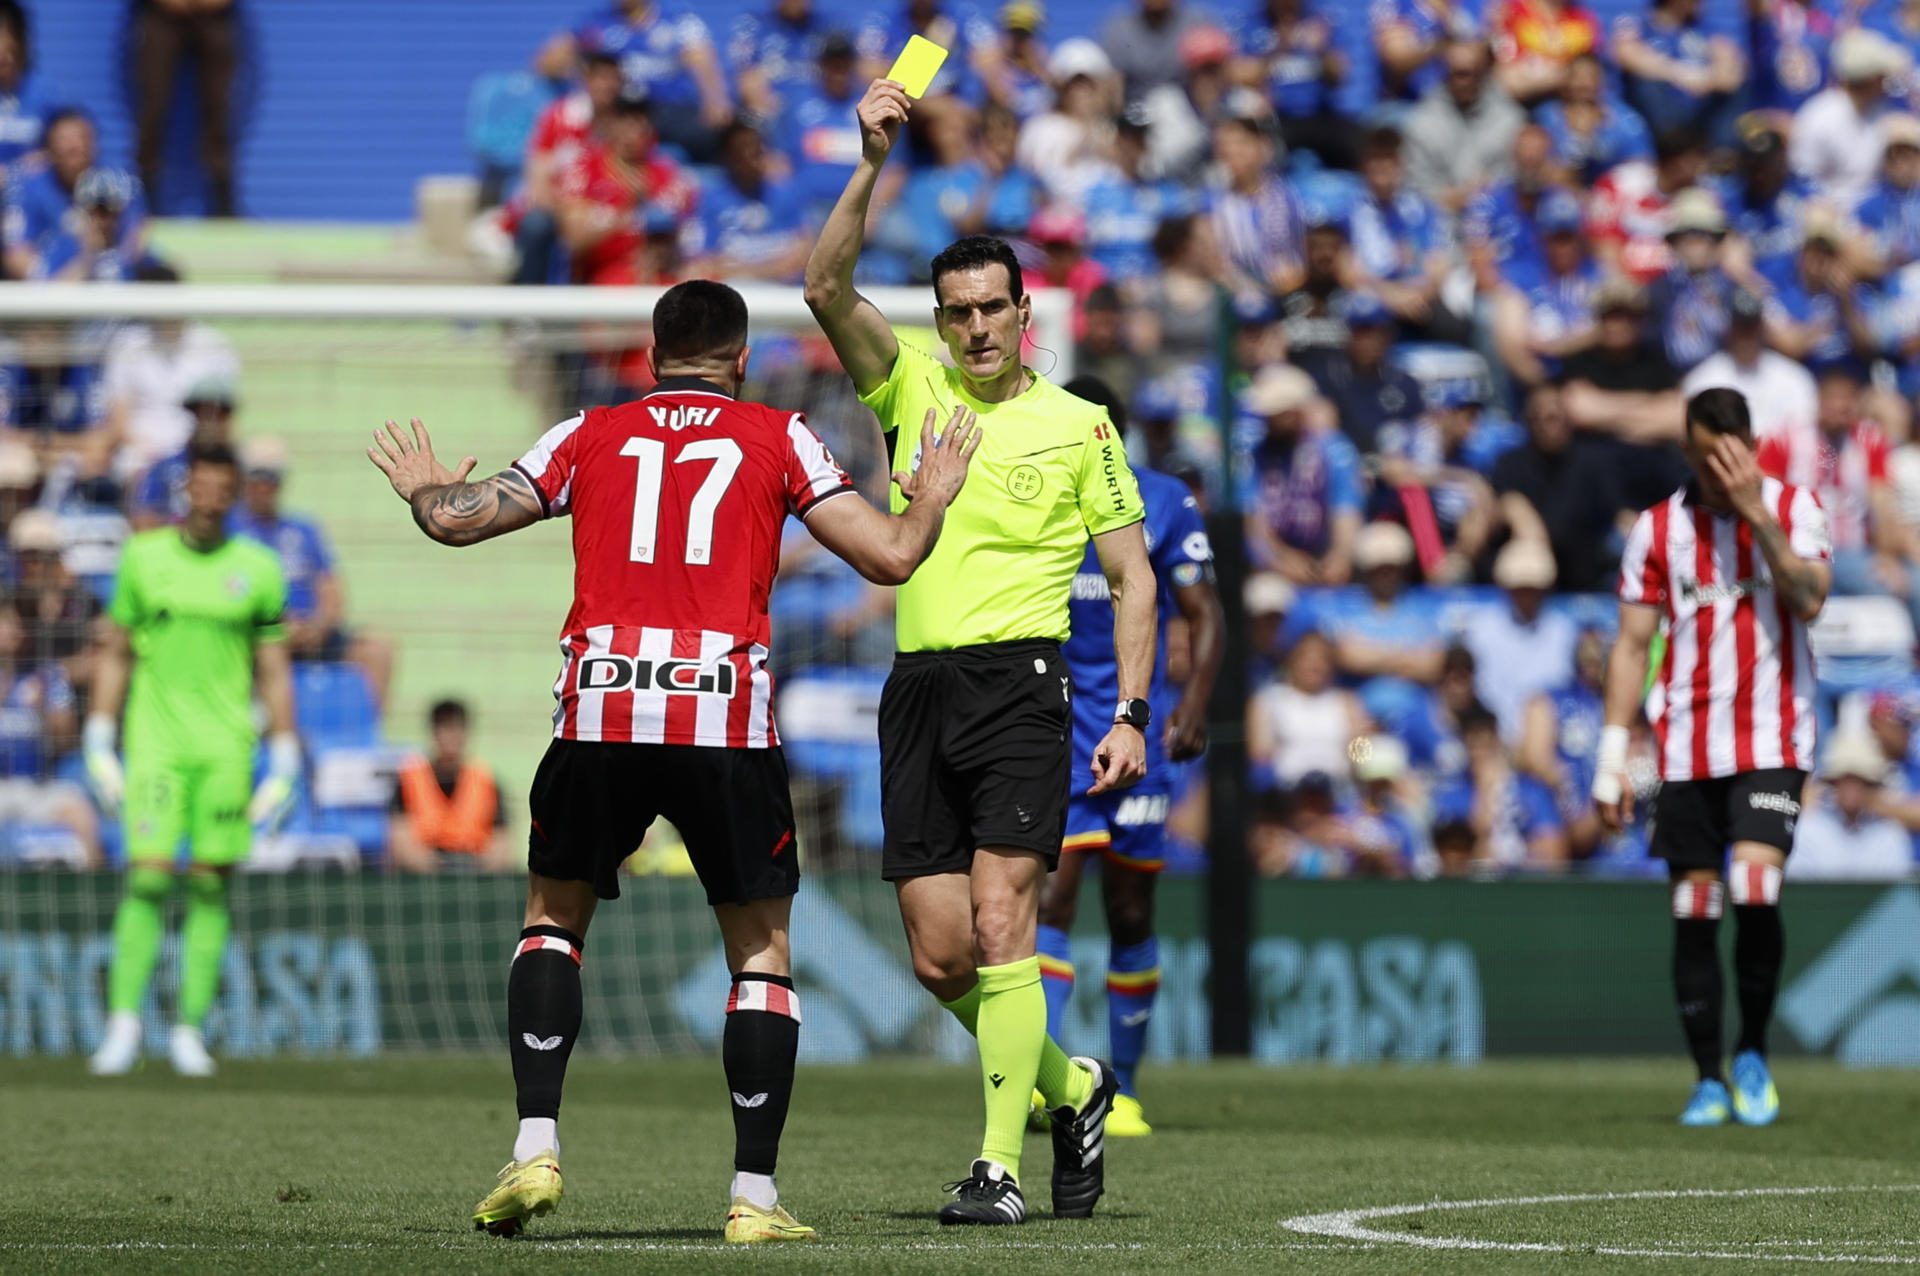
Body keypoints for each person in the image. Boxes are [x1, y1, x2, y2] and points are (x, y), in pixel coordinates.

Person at [367, 279, 984, 1242]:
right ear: (741, 361)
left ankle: (534, 1146)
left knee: (552, 921)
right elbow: (895, 557)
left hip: (602, 707)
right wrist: (934, 497)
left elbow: (456, 519)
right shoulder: (781, 436)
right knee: (761, 954)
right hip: (722, 719)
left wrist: (421, 490)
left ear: (651, 358)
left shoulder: (588, 432)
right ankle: (754, 1200)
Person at [804, 78, 1156, 1225]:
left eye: (991, 309)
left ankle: (998, 1167)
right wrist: (869, 160)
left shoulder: (1078, 425)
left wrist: (1131, 714)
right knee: (941, 956)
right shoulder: (907, 387)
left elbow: (1132, 574)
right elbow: (822, 284)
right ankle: (1077, 1085)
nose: (974, 328)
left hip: (1024, 683)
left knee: (1009, 923)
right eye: (955, 311)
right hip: (918, 689)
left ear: (1024, 311)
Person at [1596, 386, 1831, 1129]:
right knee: (1695, 905)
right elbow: (1632, 645)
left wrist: (1755, 511)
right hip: (1687, 744)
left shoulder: (1794, 510)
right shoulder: (1659, 531)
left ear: (1749, 447)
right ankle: (1707, 1076)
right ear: (1689, 454)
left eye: (1730, 455)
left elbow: (1811, 599)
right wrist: (1612, 754)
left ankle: (1754, 1051)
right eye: (1705, 457)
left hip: (1772, 737)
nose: (1717, 471)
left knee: (1755, 886)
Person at [84, 441, 298, 1080]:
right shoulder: (143, 559)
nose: (209, 495)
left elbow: (274, 669)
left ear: (233, 492)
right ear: (186, 489)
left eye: (220, 485)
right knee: (147, 877)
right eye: (199, 484)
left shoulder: (258, 569)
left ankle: (187, 1030)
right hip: (155, 743)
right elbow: (117, 650)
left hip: (227, 748)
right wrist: (99, 733)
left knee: (209, 884)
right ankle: (123, 1025)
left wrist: (285, 751)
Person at [1038, 435, 1224, 1137]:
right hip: (1055, 736)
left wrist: (1196, 704)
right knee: (1051, 902)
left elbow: (1207, 611)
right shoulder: (1038, 485)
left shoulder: (1164, 500)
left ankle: (1128, 1088)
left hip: (1136, 733)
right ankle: (1050, 1084)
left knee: (1132, 912)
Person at [229, 437, 395, 708]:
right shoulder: (232, 531)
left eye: (273, 477)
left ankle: (363, 738)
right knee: (269, 652)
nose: (265, 485)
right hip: (259, 637)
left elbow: (331, 589)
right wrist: (277, 628)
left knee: (376, 651)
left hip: (311, 635)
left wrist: (317, 628)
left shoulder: (303, 529)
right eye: (258, 476)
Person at [539, 0, 734, 163]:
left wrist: (716, 101)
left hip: (671, 111)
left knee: (725, 135)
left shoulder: (677, 19)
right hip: (619, 115)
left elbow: (703, 61)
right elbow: (548, 62)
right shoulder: (597, 22)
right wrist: (578, 58)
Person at [1492, 384, 1624, 592]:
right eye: (1538, 418)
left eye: (1553, 417)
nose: (1546, 426)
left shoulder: (1593, 462)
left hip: (1585, 568)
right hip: (1531, 569)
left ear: (1567, 419)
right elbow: (1500, 508)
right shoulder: (1509, 464)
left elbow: (1619, 514)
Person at [1240, 362, 1362, 585]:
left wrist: (1340, 557)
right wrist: (1281, 561)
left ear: (1296, 411)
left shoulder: (1334, 450)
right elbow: (1254, 528)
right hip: (1274, 568)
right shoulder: (1251, 455)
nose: (1269, 420)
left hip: (1323, 556)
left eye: (1277, 414)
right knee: (1266, 593)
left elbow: (1346, 512)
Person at [1464, 538, 1578, 742]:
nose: (1526, 595)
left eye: (1533, 588)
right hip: (1494, 738)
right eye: (1520, 588)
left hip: (1550, 741)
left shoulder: (1564, 632)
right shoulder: (1480, 629)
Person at [131, 0, 239, 216]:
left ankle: (224, 206)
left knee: (219, 108)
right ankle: (144, 202)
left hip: (214, 15)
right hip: (160, 14)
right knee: (153, 106)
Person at [1401, 37, 1528, 215]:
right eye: (1458, 73)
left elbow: (1517, 178)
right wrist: (1460, 197)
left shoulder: (1510, 119)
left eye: (1471, 73)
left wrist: (1487, 191)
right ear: (1446, 74)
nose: (1465, 81)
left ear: (1483, 73)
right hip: (1441, 222)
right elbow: (1416, 190)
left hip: (1497, 218)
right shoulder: (1421, 122)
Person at [1682, 287, 1818, 448]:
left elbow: (1804, 438)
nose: (1746, 334)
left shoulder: (1795, 378)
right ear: (1729, 326)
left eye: (1751, 325)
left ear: (1762, 327)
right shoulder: (1702, 379)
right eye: (1740, 325)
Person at [388, 699, 515, 873]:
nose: (450, 736)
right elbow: (401, 844)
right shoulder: (409, 779)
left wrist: (472, 867)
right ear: (433, 731)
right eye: (444, 727)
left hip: (474, 874)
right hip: (424, 877)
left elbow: (502, 846)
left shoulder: (486, 781)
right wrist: (440, 867)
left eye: (456, 728)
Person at [1791, 27, 1906, 212]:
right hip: (1830, 215)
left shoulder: (1883, 112)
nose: (1886, 81)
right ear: (1868, 79)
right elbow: (1802, 180)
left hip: (1878, 212)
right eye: (1881, 76)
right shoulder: (1819, 117)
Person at [684, 120, 810, 283]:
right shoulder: (709, 201)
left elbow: (805, 252)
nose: (751, 158)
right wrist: (770, 269)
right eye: (742, 151)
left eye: (757, 150)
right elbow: (702, 262)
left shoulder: (786, 194)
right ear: (727, 157)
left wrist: (739, 269)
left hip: (782, 296)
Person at [1788, 731, 1915, 879]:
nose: (1851, 789)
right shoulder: (1808, 830)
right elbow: (1799, 892)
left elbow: (1894, 894)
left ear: (1871, 785)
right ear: (1834, 783)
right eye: (1845, 780)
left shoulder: (1889, 835)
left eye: (1859, 780)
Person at [1613, 0, 1744, 144]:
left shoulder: (1707, 30)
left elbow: (1730, 73)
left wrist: (1704, 80)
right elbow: (1627, 55)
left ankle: (1723, 151)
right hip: (1660, 116)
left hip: (1699, 112)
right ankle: (1670, 142)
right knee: (1646, 84)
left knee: (1736, 91)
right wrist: (1682, 74)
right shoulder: (1641, 26)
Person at [0, 3, 58, 185]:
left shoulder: (43, 92)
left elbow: (58, 149)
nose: (5, 60)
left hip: (30, 197)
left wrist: (25, 165)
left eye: (11, 52)